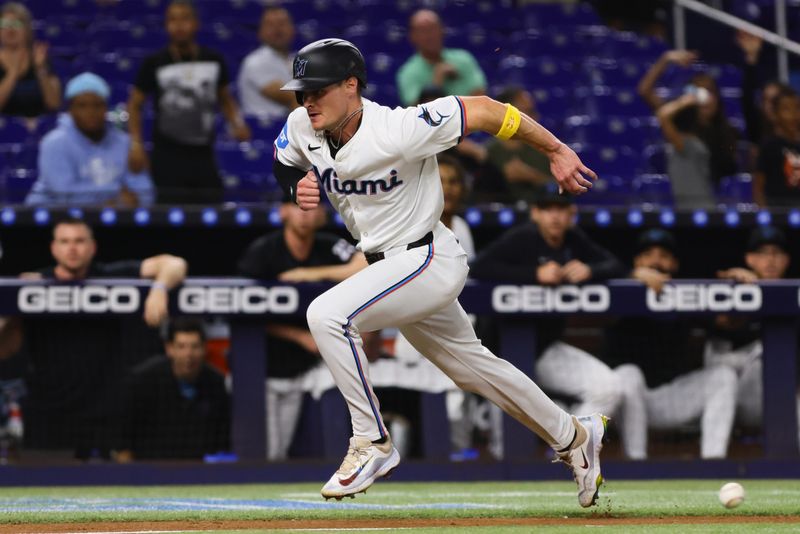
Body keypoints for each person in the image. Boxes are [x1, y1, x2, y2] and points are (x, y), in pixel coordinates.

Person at [274, 38, 605, 507]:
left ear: (351, 85)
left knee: (326, 314)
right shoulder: (301, 125)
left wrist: (555, 149)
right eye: (300, 92)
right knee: (474, 370)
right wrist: (296, 187)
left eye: (317, 90)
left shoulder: (401, 127)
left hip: (426, 256)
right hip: (387, 269)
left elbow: (487, 110)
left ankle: (371, 442)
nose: (307, 101)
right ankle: (574, 437)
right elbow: (284, 161)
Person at [0, 218, 188, 458]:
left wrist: (160, 289)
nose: (72, 248)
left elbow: (174, 263)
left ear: (92, 247)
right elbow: (6, 350)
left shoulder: (110, 276)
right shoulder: (33, 286)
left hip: (103, 413)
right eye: (65, 241)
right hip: (49, 413)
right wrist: (13, 310)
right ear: (53, 248)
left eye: (79, 241)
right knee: (41, 490)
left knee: (111, 490)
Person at [469, 188, 627, 452]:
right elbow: (478, 267)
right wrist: (533, 274)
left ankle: (571, 455)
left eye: (560, 209)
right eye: (547, 209)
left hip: (544, 349)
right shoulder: (523, 238)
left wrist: (591, 269)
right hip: (503, 353)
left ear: (571, 215)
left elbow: (615, 264)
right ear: (535, 213)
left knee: (608, 387)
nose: (554, 216)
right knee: (506, 449)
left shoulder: (573, 239)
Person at [237, 194, 367, 461]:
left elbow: (365, 262)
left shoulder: (328, 247)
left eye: (312, 207)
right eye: (297, 207)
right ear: (283, 211)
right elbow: (242, 314)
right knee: (266, 453)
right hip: (262, 368)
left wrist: (310, 275)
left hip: (306, 368)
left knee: (282, 451)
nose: (305, 214)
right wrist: (298, 336)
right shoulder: (263, 252)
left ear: (322, 214)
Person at [604, 229, 738, 459]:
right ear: (637, 262)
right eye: (648, 255)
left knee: (724, 376)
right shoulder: (619, 289)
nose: (656, 261)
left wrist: (740, 286)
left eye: (664, 256)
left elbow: (726, 322)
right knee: (628, 374)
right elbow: (605, 315)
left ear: (675, 264)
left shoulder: (684, 294)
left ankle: (713, 464)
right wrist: (631, 277)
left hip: (672, 398)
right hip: (624, 403)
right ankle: (636, 464)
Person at [127, 0, 251, 204]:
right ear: (166, 25)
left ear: (196, 23)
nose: (179, 25)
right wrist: (136, 143)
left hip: (203, 152)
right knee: (169, 214)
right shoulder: (154, 62)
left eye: (185, 18)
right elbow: (134, 104)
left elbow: (225, 99)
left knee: (212, 209)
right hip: (166, 154)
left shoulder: (214, 60)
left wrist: (236, 123)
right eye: (173, 20)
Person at [706, 226, 800, 445]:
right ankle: (712, 467)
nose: (770, 260)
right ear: (749, 258)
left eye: (776, 253)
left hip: (783, 398)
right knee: (760, 353)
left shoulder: (794, 300)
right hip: (732, 398)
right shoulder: (733, 288)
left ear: (786, 259)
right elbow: (721, 323)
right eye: (762, 253)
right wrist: (735, 294)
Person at [26, 72, 155, 207]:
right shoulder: (53, 143)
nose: (91, 112)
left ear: (106, 107)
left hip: (113, 222)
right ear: (71, 109)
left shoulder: (125, 143)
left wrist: (121, 202)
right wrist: (114, 198)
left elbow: (146, 193)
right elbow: (64, 195)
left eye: (97, 105)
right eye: (82, 105)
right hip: (55, 222)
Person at [115, 318, 230, 461]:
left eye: (195, 346)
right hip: (149, 468)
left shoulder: (216, 383)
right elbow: (123, 442)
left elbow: (223, 439)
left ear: (205, 349)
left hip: (198, 470)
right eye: (181, 346)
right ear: (169, 349)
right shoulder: (143, 381)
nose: (189, 354)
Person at [638, 50, 738, 187]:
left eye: (709, 91)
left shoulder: (727, 133)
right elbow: (645, 91)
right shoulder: (679, 123)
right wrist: (665, 59)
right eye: (697, 92)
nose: (704, 99)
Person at [396, 9, 486, 107]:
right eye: (423, 31)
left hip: (470, 119)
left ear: (442, 30)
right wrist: (436, 82)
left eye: (433, 28)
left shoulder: (464, 59)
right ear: (413, 36)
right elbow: (417, 112)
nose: (429, 36)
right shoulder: (408, 73)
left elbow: (480, 96)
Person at [485, 86, 554, 204]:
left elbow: (563, 189)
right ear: (507, 116)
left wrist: (532, 176)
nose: (535, 118)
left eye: (533, 112)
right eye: (527, 112)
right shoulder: (488, 152)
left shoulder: (545, 149)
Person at [237, 6, 298, 121]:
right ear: (260, 32)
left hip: (286, 126)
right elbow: (292, 98)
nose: (277, 29)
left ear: (292, 29)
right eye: (270, 25)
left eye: (282, 23)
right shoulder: (256, 61)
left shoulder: (295, 59)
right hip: (263, 131)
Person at [0, 2, 60, 117]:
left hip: (40, 126)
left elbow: (54, 104)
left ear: (27, 29)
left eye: (16, 23)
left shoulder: (41, 58)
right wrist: (13, 73)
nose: (10, 29)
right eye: (4, 24)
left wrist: (40, 69)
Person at [753, 86, 800, 207]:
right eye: (786, 109)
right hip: (776, 215)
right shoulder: (768, 146)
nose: (793, 115)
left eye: (797, 108)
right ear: (775, 114)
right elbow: (758, 188)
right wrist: (765, 216)